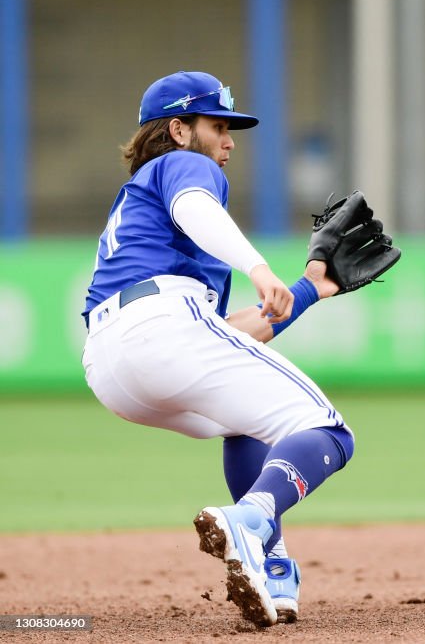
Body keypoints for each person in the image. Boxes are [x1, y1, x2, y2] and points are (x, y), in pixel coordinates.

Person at [81, 71, 380, 627]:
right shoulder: (180, 166)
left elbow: (228, 338)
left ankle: (269, 567)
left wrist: (311, 288)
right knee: (330, 433)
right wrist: (257, 267)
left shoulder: (144, 211)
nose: (229, 141)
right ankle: (251, 520)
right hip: (162, 328)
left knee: (244, 418)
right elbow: (198, 208)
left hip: (113, 362)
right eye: (217, 126)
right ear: (177, 129)